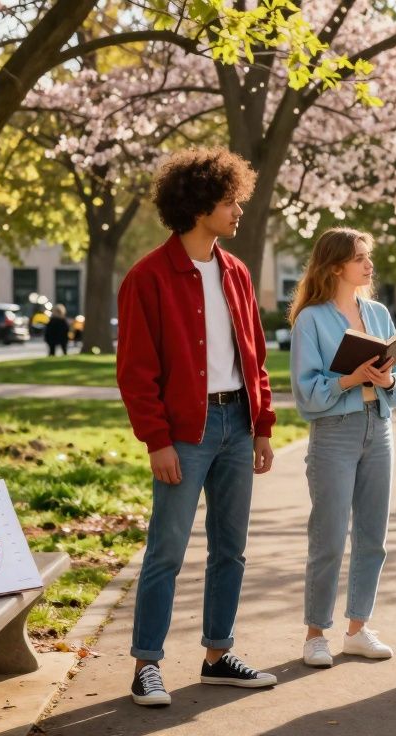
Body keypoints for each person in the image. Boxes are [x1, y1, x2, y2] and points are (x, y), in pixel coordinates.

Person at [116, 147, 279, 707]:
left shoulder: (235, 272)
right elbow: (136, 372)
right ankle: (146, 665)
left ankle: (217, 655)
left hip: (238, 422)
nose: (238, 210)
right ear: (198, 203)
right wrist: (157, 440)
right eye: (230, 200)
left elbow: (254, 355)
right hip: (185, 430)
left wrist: (262, 425)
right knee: (167, 550)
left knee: (231, 549)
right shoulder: (149, 277)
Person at [290, 228, 396, 669]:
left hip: (378, 429)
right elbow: (305, 395)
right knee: (328, 537)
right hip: (334, 433)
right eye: (360, 257)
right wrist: (349, 379)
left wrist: (388, 380)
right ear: (337, 265)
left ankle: (359, 630)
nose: (368, 264)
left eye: (368, 257)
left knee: (372, 536)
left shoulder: (379, 314)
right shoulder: (311, 319)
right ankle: (315, 635)